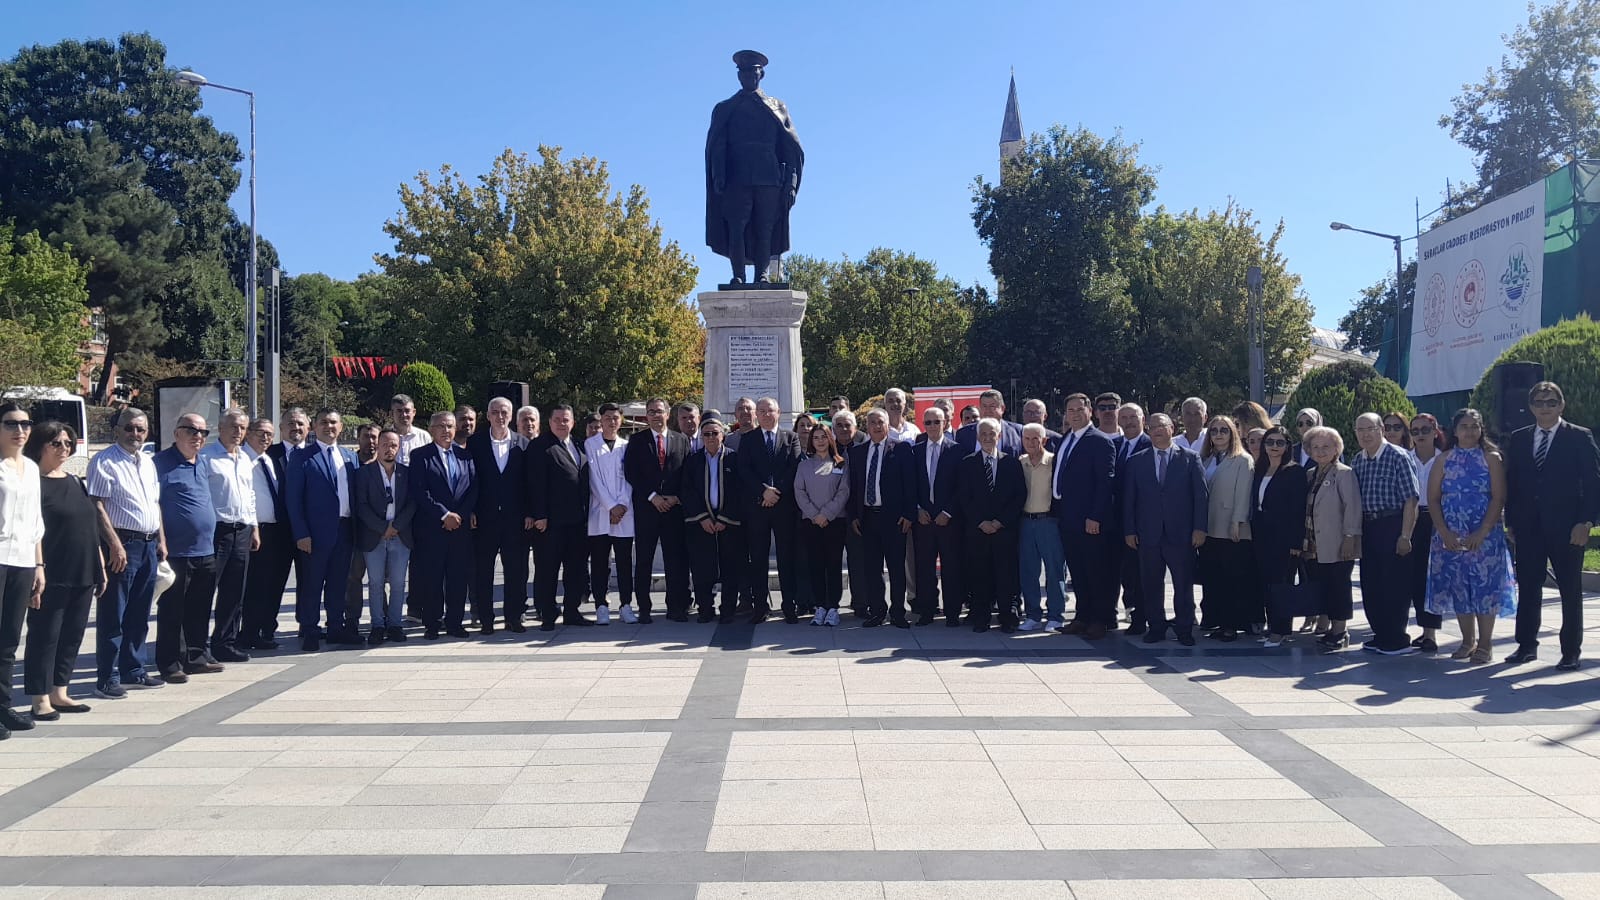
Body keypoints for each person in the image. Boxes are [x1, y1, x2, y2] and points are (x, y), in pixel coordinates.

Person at [1505, 381, 1600, 670]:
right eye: (1539, 402)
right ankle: (1526, 645)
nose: (1544, 408)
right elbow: (1514, 483)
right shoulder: (1520, 438)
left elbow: (1594, 483)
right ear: (1531, 407)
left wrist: (1586, 522)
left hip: (1568, 527)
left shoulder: (1580, 437)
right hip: (1529, 527)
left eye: (1550, 402)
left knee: (1570, 591)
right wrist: (1511, 522)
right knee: (1530, 588)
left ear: (1561, 405)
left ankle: (1571, 650)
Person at [22, 421, 102, 721]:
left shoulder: (74, 481)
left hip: (83, 570)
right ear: (40, 445)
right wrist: (38, 567)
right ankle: (40, 697)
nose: (64, 448)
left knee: (72, 634)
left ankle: (60, 691)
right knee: (45, 636)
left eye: (68, 443)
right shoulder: (33, 482)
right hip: (51, 572)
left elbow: (88, 525)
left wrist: (99, 565)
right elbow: (34, 530)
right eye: (57, 443)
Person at [86, 407, 167, 697]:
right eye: (130, 428)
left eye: (141, 429)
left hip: (147, 543)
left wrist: (160, 538)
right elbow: (96, 505)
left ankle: (134, 670)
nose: (135, 434)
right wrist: (114, 544)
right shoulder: (104, 461)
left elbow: (154, 503)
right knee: (114, 614)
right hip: (122, 544)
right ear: (117, 429)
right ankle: (107, 677)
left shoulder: (147, 462)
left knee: (140, 612)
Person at [1426, 408, 1515, 664]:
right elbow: (1433, 499)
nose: (1469, 431)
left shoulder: (1491, 458)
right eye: (1464, 426)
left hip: (1484, 533)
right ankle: (1468, 641)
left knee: (1485, 588)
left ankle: (1485, 644)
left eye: (1474, 426)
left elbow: (1499, 497)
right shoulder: (1444, 460)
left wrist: (1483, 531)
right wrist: (1444, 531)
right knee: (1460, 588)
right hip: (1451, 534)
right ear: (1454, 430)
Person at [1123, 413, 1208, 645]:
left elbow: (1201, 496)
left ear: (1172, 428)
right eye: (1152, 427)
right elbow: (1129, 498)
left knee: (1183, 584)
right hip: (1147, 534)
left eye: (1162, 426)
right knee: (1150, 584)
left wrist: (1200, 528)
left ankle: (1184, 629)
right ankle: (1156, 627)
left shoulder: (1190, 459)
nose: (1157, 430)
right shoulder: (1136, 460)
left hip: (1180, 533)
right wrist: (1129, 530)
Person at [152, 414, 223, 682]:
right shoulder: (160, 464)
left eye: (203, 432)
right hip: (177, 551)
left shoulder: (202, 463)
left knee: (200, 608)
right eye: (192, 430)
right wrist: (162, 540)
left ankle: (196, 657)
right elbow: (153, 503)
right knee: (173, 612)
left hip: (205, 550)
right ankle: (170, 663)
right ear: (176, 433)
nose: (198, 436)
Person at [286, 408, 362, 651]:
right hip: (315, 533)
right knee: (311, 583)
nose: (329, 427)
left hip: (345, 529)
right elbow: (293, 499)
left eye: (333, 423)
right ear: (314, 427)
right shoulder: (302, 457)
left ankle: (336, 628)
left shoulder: (350, 457)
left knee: (339, 583)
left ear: (341, 427)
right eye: (323, 423)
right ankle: (309, 629)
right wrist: (301, 533)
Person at [1351, 412, 1420, 655]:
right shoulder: (1358, 460)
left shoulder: (1398, 456)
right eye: (1360, 430)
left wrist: (1405, 536)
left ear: (1381, 429)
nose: (1365, 434)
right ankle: (1380, 634)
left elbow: (1410, 500)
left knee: (1395, 585)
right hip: (1368, 527)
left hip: (1392, 524)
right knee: (1372, 583)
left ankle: (1397, 638)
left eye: (1370, 428)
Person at [1050, 393, 1117, 637]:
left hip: (1090, 520)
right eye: (1070, 410)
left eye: (1080, 409)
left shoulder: (1099, 441)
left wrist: (1095, 516)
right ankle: (1082, 616)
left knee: (1096, 571)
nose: (1075, 414)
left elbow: (1105, 482)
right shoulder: (1067, 437)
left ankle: (1100, 619)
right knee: (1078, 571)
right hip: (1067, 517)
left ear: (1091, 411)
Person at [409, 411, 478, 639]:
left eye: (450, 426)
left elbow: (473, 488)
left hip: (460, 528)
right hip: (432, 528)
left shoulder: (465, 456)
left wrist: (459, 515)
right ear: (431, 429)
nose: (446, 431)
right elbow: (419, 491)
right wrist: (444, 514)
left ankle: (455, 622)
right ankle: (432, 622)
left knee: (458, 578)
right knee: (432, 578)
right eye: (441, 426)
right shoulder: (420, 456)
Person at [0, 405, 46, 736]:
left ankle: (3, 706)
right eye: (12, 424)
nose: (21, 430)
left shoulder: (30, 468)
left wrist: (39, 565)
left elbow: (35, 523)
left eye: (26, 424)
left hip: (23, 560)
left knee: (9, 639)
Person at [198, 409, 258, 663]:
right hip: (217, 530)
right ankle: (198, 646)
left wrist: (254, 526)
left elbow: (250, 494)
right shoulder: (207, 457)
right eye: (233, 426)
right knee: (206, 589)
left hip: (242, 529)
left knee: (235, 591)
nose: (238, 432)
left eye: (243, 428)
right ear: (220, 428)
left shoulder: (244, 458)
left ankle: (225, 642)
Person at [737, 397, 802, 623]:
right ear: (756, 414)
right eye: (761, 410)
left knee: (786, 557)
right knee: (758, 558)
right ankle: (760, 606)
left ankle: (789, 605)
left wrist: (776, 493)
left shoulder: (791, 438)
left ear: (779, 412)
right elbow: (744, 470)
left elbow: (794, 467)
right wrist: (763, 492)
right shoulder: (748, 439)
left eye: (770, 410)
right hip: (757, 507)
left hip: (784, 507)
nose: (765, 414)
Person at [848, 408, 914, 628]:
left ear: (888, 425)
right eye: (873, 422)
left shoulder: (902, 449)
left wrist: (908, 514)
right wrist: (854, 516)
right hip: (867, 518)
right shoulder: (858, 452)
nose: (877, 426)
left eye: (881, 422)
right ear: (867, 426)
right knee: (872, 569)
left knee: (896, 568)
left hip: (894, 519)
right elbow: (854, 487)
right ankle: (877, 611)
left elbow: (909, 485)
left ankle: (897, 613)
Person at [957, 418, 1024, 632]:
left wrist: (1000, 522)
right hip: (978, 531)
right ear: (978, 437)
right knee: (979, 574)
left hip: (1004, 530)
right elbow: (964, 497)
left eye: (992, 434)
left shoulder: (1011, 463)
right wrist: (981, 522)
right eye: (983, 434)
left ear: (999, 436)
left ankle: (1007, 616)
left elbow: (1019, 496)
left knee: (1006, 575)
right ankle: (981, 617)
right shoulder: (967, 463)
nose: (988, 438)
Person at [468, 397, 528, 633]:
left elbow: (529, 483)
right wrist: (470, 509)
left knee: (516, 570)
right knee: (483, 572)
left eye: (504, 412)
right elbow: (469, 480)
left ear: (511, 416)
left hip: (515, 519)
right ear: (488, 415)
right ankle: (486, 619)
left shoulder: (523, 444)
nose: (500, 417)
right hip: (484, 519)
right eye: (495, 412)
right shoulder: (475, 443)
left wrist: (530, 513)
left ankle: (514, 617)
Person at [528, 405, 591, 630]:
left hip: (577, 521)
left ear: (573, 422)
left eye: (565, 420)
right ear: (550, 421)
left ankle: (572, 611)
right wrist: (540, 515)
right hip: (551, 522)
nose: (561, 423)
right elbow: (535, 484)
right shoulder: (539, 446)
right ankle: (548, 614)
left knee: (575, 569)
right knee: (548, 570)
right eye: (557, 419)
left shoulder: (579, 445)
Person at [627, 398, 690, 622]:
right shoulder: (636, 441)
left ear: (668, 413)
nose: (655, 415)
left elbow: (687, 473)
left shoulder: (681, 440)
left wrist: (676, 497)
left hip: (673, 510)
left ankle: (676, 607)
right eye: (651, 411)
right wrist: (653, 497)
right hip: (647, 509)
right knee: (644, 560)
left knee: (675, 561)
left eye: (659, 411)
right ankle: (644, 608)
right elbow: (631, 473)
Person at [1301, 425, 1362, 652]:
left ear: (1336, 448)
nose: (1320, 451)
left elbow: (1352, 507)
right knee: (1323, 587)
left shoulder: (1344, 473)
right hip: (1314, 544)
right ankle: (1328, 628)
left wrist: (1350, 537)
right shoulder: (1310, 474)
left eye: (1326, 446)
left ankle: (1340, 630)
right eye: (1315, 447)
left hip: (1338, 542)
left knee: (1339, 587)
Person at [354, 429, 414, 644]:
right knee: (376, 583)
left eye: (394, 445)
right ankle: (377, 625)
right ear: (377, 446)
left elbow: (412, 503)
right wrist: (382, 528)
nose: (389, 449)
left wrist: (396, 526)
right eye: (385, 445)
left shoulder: (406, 473)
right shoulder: (364, 473)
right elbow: (361, 506)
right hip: (374, 536)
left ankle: (395, 624)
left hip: (401, 534)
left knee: (398, 583)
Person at [683, 416, 743, 622]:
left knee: (730, 568)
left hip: (728, 523)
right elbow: (687, 491)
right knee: (702, 568)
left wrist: (725, 518)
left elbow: (739, 491)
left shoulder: (734, 459)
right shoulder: (693, 460)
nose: (710, 437)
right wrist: (702, 517)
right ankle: (705, 609)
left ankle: (728, 610)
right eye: (706, 434)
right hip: (702, 523)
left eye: (714, 433)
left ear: (723, 436)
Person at [1201, 416, 1256, 642]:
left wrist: (1237, 520)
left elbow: (1244, 493)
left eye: (1224, 430)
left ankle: (1231, 626)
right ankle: (1219, 621)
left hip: (1232, 528)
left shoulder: (1242, 459)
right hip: (1210, 527)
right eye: (1214, 431)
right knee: (1216, 579)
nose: (1219, 434)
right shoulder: (1207, 459)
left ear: (1233, 432)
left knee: (1233, 579)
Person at [1252, 425, 1307, 647]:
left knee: (1282, 584)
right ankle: (1272, 626)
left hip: (1284, 538)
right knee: (1266, 584)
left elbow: (1298, 509)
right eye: (1270, 442)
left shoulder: (1294, 472)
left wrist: (1296, 541)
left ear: (1287, 447)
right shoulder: (1259, 469)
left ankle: (1282, 630)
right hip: (1261, 535)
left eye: (1280, 443)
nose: (1274, 447)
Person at [911, 405, 962, 626]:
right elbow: (910, 485)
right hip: (923, 519)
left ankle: (952, 613)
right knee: (924, 568)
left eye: (937, 422)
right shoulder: (916, 450)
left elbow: (962, 487)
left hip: (948, 520)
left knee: (951, 568)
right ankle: (927, 610)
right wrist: (917, 509)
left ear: (945, 423)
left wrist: (948, 511)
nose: (932, 426)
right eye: (928, 422)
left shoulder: (957, 450)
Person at [584, 403, 634, 625]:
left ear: (621, 420)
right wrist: (610, 506)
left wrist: (621, 505)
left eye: (615, 417)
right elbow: (593, 479)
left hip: (624, 513)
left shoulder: (626, 445)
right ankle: (601, 605)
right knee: (600, 562)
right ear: (601, 420)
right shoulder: (590, 444)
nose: (611, 421)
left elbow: (630, 477)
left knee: (624, 561)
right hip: (600, 512)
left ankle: (625, 604)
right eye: (607, 417)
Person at [795, 420, 849, 626]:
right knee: (815, 565)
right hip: (811, 523)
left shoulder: (840, 463)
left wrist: (826, 514)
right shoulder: (804, 465)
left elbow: (843, 492)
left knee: (833, 566)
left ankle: (833, 607)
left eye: (823, 437)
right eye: (815, 438)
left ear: (830, 438)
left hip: (835, 522)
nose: (819, 441)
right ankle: (820, 606)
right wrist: (814, 514)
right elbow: (799, 492)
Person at [241, 418, 289, 650]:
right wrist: (253, 528)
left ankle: (260, 630)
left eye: (269, 434)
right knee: (251, 586)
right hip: (252, 531)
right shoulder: (241, 459)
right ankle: (245, 633)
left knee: (268, 585)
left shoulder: (268, 460)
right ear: (248, 433)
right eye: (260, 432)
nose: (265, 438)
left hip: (274, 531)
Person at [1406, 413, 1449, 652]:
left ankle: (1430, 632)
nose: (1420, 435)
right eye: (1415, 431)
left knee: (1433, 576)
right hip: (1411, 518)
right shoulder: (1405, 458)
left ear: (1435, 432)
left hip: (1437, 519)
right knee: (1413, 575)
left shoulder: (1444, 459)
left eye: (1425, 430)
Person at [1018, 423, 1066, 632]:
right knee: (1028, 571)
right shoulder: (1019, 462)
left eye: (1035, 439)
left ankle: (1055, 615)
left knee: (1055, 571)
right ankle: (1033, 614)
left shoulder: (1054, 462)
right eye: (1026, 439)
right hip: (1026, 521)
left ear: (1044, 440)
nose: (1030, 443)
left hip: (1049, 522)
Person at [1111, 403, 1151, 633]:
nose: (1128, 421)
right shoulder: (1113, 445)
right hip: (1114, 521)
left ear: (1142, 419)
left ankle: (1140, 617)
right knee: (1121, 572)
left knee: (1140, 573)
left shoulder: (1150, 445)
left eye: (1132, 417)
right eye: (1123, 417)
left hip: (1141, 522)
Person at [343, 423, 381, 631]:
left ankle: (381, 619)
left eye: (374, 437)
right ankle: (351, 619)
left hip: (379, 533)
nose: (371, 441)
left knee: (379, 580)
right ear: (358, 439)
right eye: (366, 436)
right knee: (353, 577)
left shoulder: (386, 465)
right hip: (355, 531)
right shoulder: (348, 464)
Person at [832, 410, 870, 616]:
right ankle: (831, 603)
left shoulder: (865, 449)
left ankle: (861, 603)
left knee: (858, 561)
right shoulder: (829, 449)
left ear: (855, 428)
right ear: (833, 429)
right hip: (833, 515)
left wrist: (856, 514)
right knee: (832, 561)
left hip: (856, 514)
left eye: (848, 425)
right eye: (839, 426)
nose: (844, 429)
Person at [955, 389, 1022, 456]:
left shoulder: (1018, 431)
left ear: (1002, 408)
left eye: (992, 406)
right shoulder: (963, 434)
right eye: (984, 406)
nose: (988, 410)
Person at [390, 395, 430, 466]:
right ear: (391, 413)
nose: (404, 415)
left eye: (407, 411)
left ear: (414, 412)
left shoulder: (424, 437)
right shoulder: (383, 437)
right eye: (399, 411)